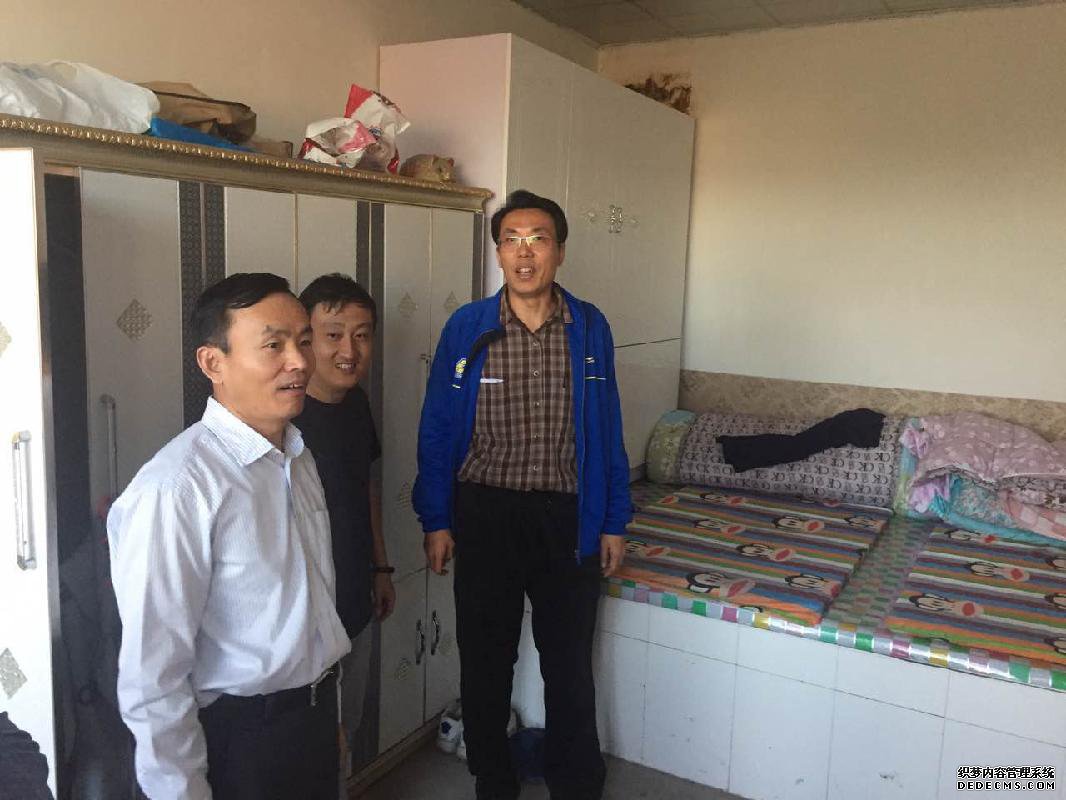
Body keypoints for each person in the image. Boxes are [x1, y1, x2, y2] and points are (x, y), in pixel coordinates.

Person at [413, 189, 631, 800]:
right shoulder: (467, 327)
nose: (524, 252)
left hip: (568, 518)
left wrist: (614, 520)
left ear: (559, 251)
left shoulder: (589, 326)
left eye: (538, 239)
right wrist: (436, 519)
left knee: (569, 666)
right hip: (485, 513)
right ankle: (493, 781)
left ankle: (576, 783)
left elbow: (607, 426)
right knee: (486, 663)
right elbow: (437, 428)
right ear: (499, 253)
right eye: (511, 240)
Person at [107, 273, 350, 800]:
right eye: (273, 345)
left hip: (309, 721)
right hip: (239, 740)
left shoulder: (297, 456)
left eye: (304, 340)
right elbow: (153, 675)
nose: (300, 361)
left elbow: (308, 609)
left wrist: (328, 719)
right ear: (212, 363)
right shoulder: (177, 488)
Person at [293, 273, 395, 772]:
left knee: (344, 735)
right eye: (334, 335)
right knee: (311, 747)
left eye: (362, 335)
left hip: (355, 597)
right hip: (305, 619)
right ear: (306, 339)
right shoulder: (285, 420)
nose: (349, 351)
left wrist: (381, 567)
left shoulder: (356, 403)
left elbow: (365, 487)